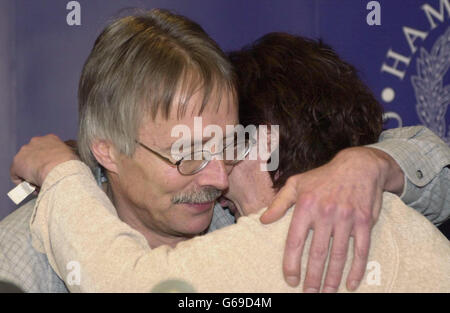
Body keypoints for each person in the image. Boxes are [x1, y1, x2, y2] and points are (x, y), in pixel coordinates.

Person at [4, 10, 450, 292]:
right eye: (190, 153)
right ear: (106, 149)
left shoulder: (277, 213)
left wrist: (366, 164)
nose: (218, 179)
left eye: (229, 144)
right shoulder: (23, 258)